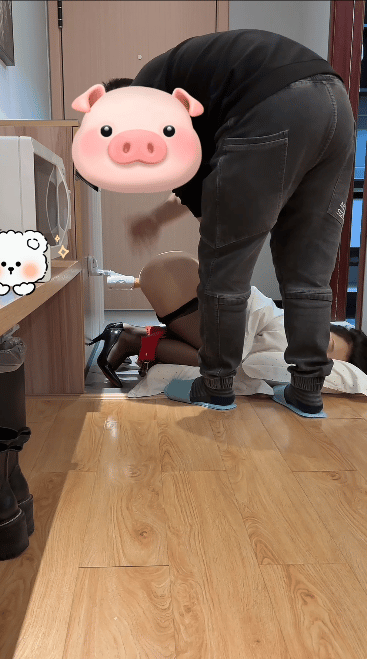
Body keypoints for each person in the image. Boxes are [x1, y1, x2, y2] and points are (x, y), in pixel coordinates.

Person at [90, 30, 357, 416]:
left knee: (224, 268)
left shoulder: (144, 100)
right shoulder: (184, 83)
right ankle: (307, 390)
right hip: (336, 108)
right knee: (309, 275)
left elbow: (202, 189)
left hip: (275, 105)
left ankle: (216, 386)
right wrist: (159, 217)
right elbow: (207, 180)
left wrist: (221, 235)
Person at [94, 248, 367, 389]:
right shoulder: (290, 327)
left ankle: (130, 335)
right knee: (218, 362)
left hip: (191, 298)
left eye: (326, 359)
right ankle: (132, 340)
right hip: (183, 285)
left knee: (215, 358)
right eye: (327, 343)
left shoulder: (293, 353)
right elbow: (252, 321)